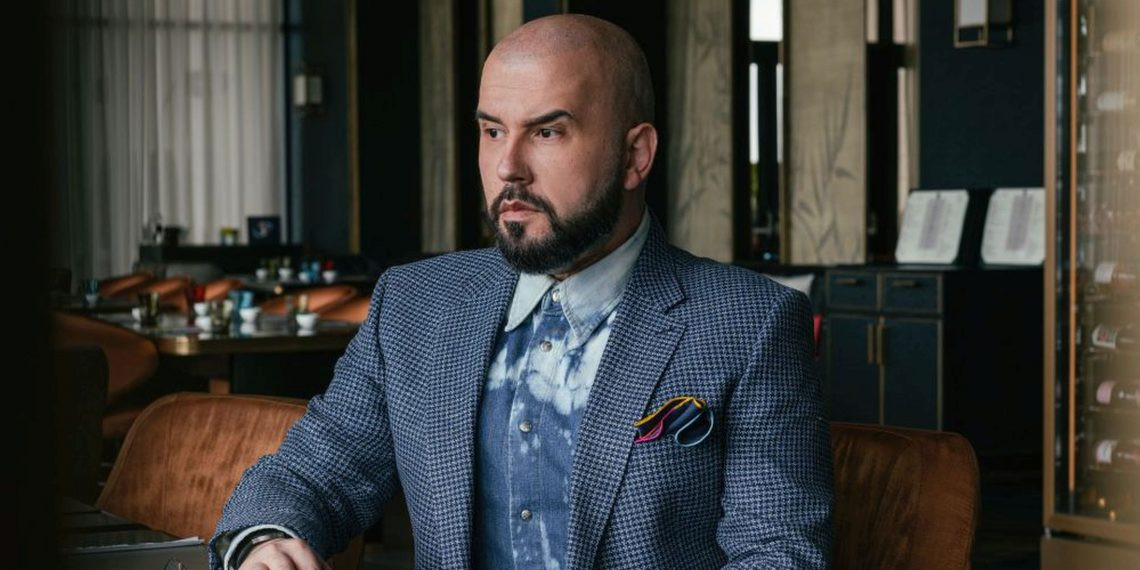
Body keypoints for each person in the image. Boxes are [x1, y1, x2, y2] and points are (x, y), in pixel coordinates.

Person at [212, 14, 832, 570]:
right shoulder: (414, 304)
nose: (508, 167)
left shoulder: (750, 324)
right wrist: (266, 541)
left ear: (635, 155)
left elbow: (778, 552)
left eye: (547, 132)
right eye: (491, 131)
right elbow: (310, 474)